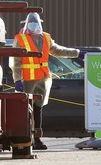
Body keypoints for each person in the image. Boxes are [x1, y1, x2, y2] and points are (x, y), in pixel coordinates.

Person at [9, 13, 86, 150]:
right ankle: (26, 138)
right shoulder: (20, 39)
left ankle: (37, 138)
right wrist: (17, 80)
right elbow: (15, 61)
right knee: (26, 110)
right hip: (27, 80)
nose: (33, 24)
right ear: (26, 23)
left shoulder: (46, 37)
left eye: (35, 21)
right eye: (31, 21)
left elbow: (58, 51)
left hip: (43, 79)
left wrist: (77, 53)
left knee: (38, 109)